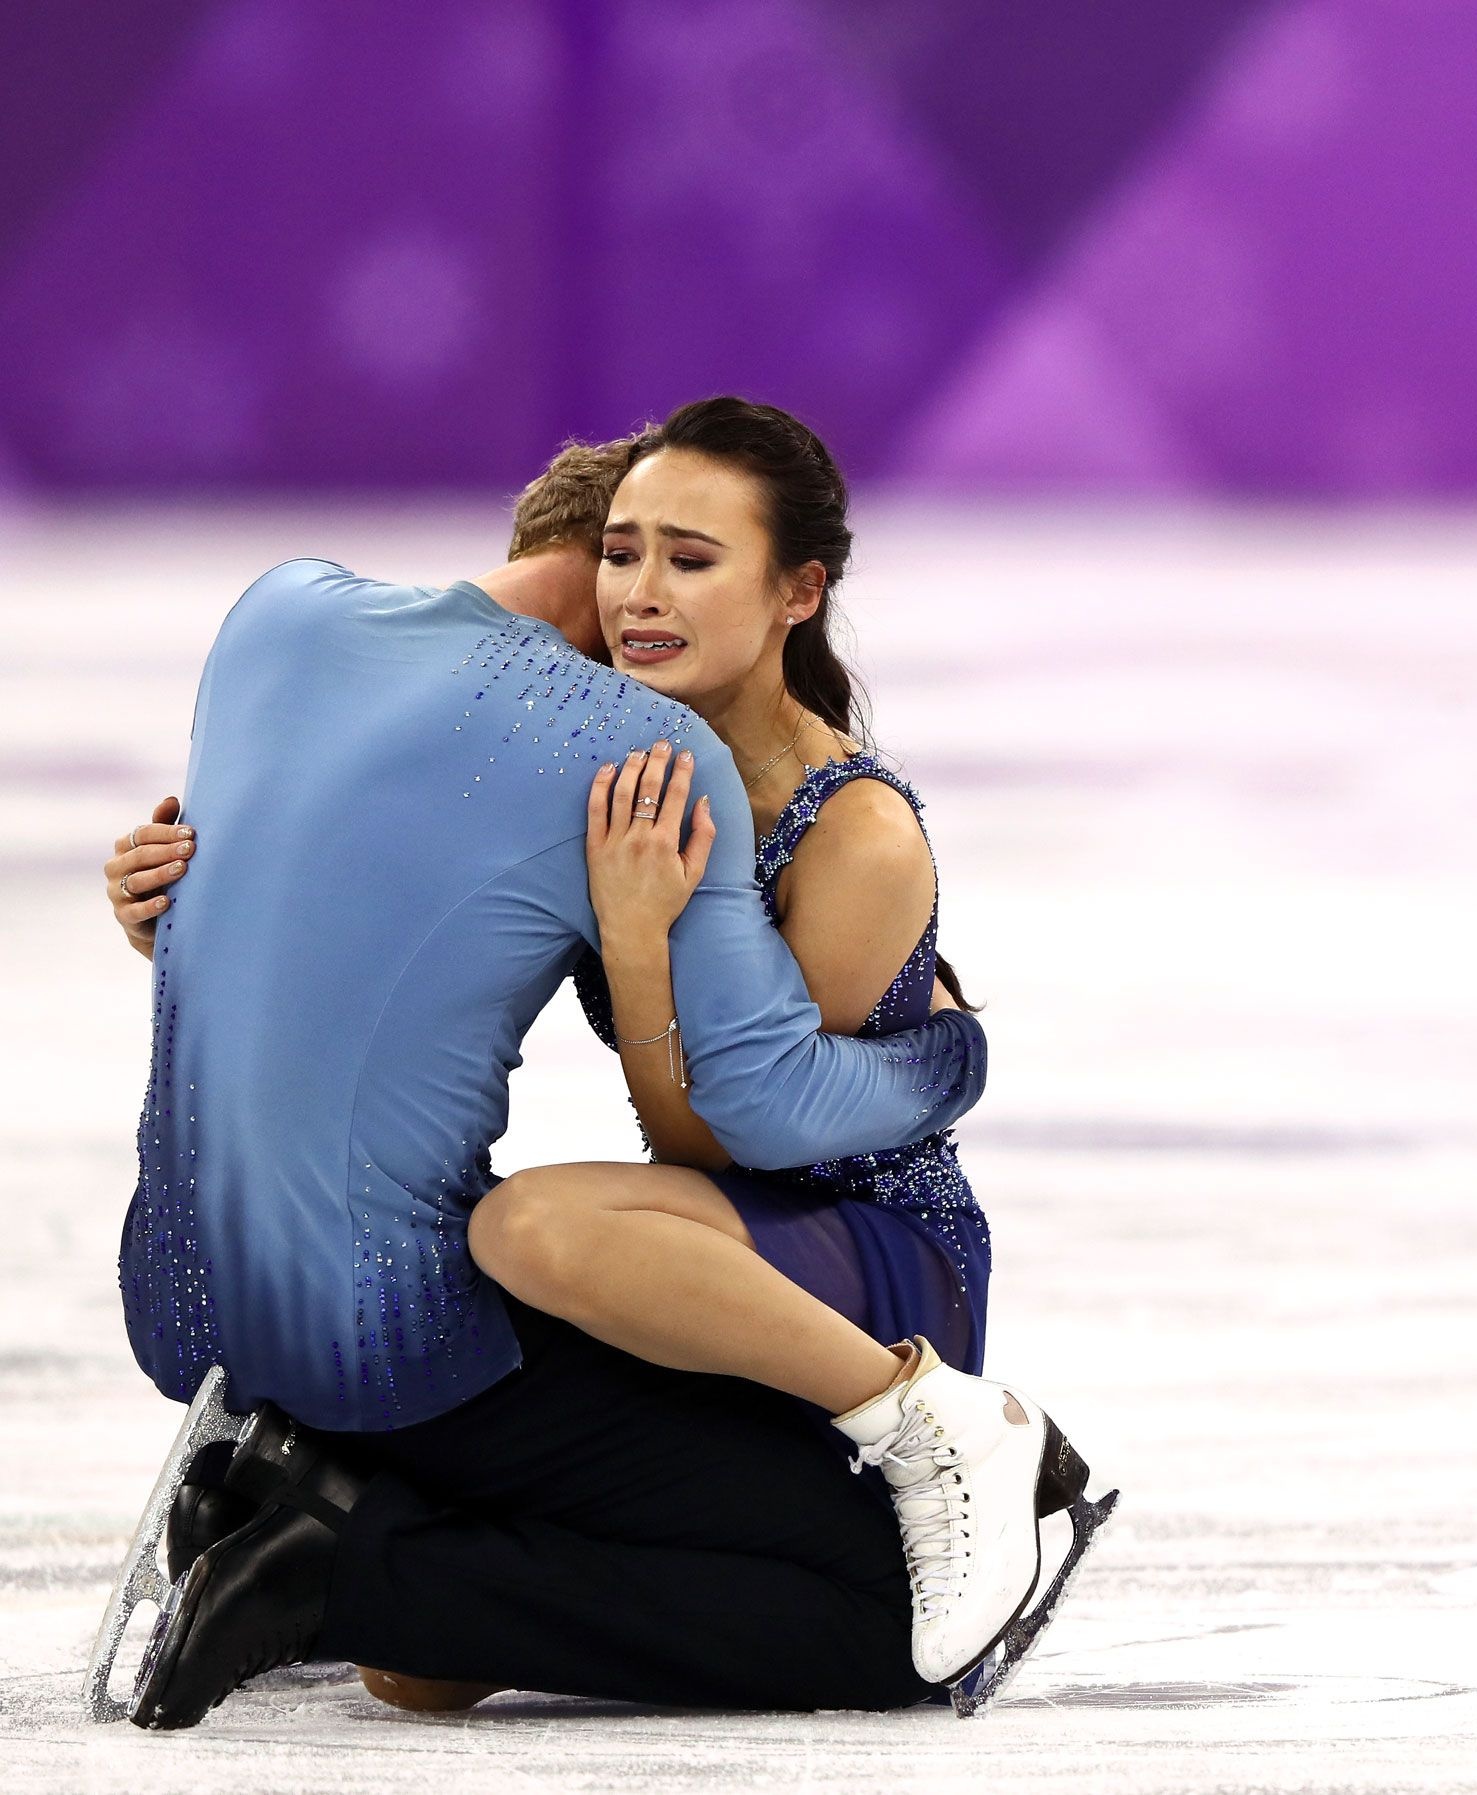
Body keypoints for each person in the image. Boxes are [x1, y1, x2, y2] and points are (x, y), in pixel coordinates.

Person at [98, 402, 1110, 1729]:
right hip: (685, 1251)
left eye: (686, 562)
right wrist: (181, 914)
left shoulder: (851, 829)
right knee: (420, 1675)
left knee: (531, 1226)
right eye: (623, 559)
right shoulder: (601, 767)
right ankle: (337, 1529)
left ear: (796, 593)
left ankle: (931, 1429)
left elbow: (744, 1143)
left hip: (838, 1251)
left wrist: (642, 953)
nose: (634, 600)